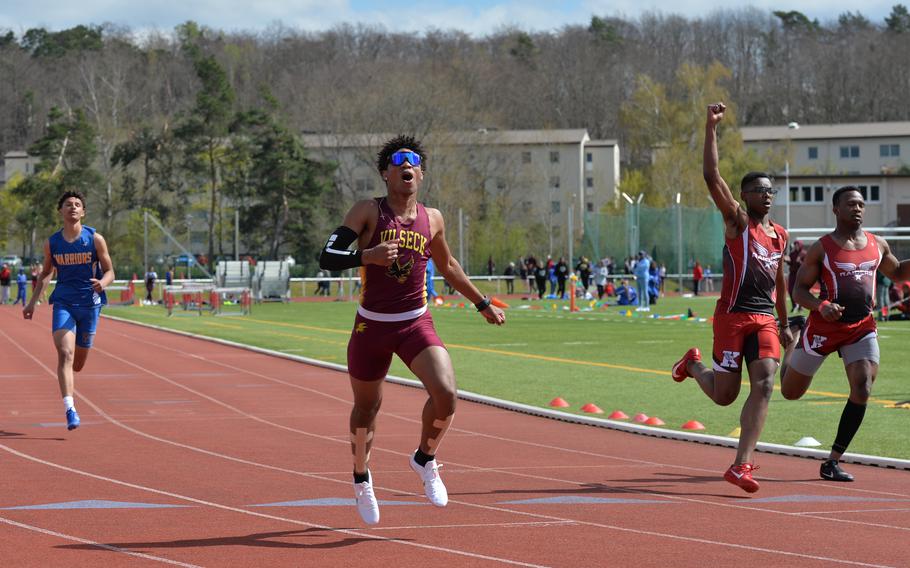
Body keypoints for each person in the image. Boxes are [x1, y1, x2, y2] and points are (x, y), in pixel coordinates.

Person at [318, 135, 505, 525]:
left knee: (447, 394)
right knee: (368, 407)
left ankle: (425, 459)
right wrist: (366, 256)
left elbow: (449, 265)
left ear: (420, 172)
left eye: (414, 161)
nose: (407, 166)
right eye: (398, 161)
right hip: (372, 326)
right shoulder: (369, 211)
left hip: (414, 322)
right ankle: (361, 478)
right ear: (386, 173)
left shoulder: (432, 217)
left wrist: (481, 303)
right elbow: (327, 256)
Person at [671, 102, 793, 494]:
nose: (767, 195)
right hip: (732, 317)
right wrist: (710, 127)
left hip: (765, 319)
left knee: (765, 384)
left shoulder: (780, 235)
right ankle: (692, 366)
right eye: (759, 190)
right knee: (725, 397)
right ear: (744, 194)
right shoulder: (738, 222)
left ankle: (741, 465)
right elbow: (711, 176)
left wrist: (786, 322)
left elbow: (778, 279)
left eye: (771, 190)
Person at [779, 186, 910, 482]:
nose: (858, 208)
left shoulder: (877, 245)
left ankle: (832, 461)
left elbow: (899, 272)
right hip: (824, 327)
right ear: (836, 209)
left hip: (861, 327)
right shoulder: (822, 247)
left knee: (862, 388)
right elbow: (799, 290)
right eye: (851, 204)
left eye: (862, 204)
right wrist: (820, 305)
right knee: (790, 392)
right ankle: (794, 338)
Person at [23, 190, 115, 431]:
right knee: (65, 354)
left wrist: (102, 283)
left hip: (90, 305)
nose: (72, 207)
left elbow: (110, 271)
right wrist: (32, 302)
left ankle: (71, 381)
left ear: (83, 211)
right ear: (60, 211)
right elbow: (46, 273)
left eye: (77, 205)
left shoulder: (95, 239)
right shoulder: (52, 243)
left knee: (78, 364)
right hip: (64, 302)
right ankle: (70, 409)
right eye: (68, 204)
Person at [787, 240, 807, 312]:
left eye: (797, 244)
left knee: (801, 290)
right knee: (790, 290)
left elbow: (807, 265)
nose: (796, 246)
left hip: (801, 274)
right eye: (795, 244)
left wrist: (800, 262)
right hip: (792, 274)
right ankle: (794, 306)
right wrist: (787, 260)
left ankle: (801, 306)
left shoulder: (804, 253)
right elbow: (791, 263)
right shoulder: (792, 254)